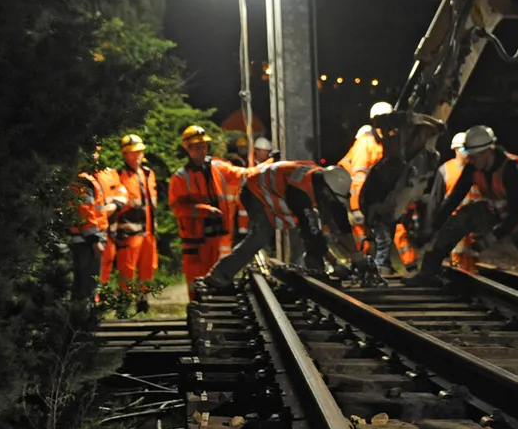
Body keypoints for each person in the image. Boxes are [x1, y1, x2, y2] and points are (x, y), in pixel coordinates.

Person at [409, 125, 518, 284]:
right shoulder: (473, 167)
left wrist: (491, 237)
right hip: (493, 210)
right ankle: (428, 271)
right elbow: (454, 198)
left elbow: (517, 212)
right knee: (462, 217)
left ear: (487, 152)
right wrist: (433, 228)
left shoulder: (510, 168)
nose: (470, 160)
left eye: (474, 156)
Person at [197, 162, 363, 287]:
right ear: (326, 191)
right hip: (254, 190)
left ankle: (313, 273)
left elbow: (340, 220)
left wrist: (356, 255)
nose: (332, 202)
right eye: (332, 198)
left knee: (310, 226)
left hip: (274, 191)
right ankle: (220, 274)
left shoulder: (326, 182)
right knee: (262, 235)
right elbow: (310, 232)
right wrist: (335, 263)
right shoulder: (301, 192)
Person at [339, 102, 417, 275]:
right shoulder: (366, 144)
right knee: (365, 236)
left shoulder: (387, 142)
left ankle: (403, 267)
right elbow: (358, 178)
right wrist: (358, 208)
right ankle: (365, 267)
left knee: (391, 230)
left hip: (377, 197)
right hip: (359, 198)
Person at [168, 125, 246, 299]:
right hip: (195, 242)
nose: (202, 150)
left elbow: (243, 174)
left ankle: (218, 311)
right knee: (197, 282)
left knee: (218, 279)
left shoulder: (218, 168)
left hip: (218, 237)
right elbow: (177, 207)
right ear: (187, 149)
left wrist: (269, 164)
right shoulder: (180, 177)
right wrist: (203, 210)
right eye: (197, 147)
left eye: (203, 146)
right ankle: (198, 313)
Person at [424, 131, 484, 272]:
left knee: (473, 255)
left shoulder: (476, 169)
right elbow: (436, 200)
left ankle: (471, 279)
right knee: (457, 255)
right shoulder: (445, 170)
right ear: (456, 149)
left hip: (475, 222)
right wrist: (431, 224)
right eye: (464, 149)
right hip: (453, 221)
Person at [114, 134, 158, 312]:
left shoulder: (148, 174)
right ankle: (123, 304)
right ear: (125, 154)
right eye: (132, 152)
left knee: (148, 269)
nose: (137, 155)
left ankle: (142, 302)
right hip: (129, 232)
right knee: (127, 270)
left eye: (139, 151)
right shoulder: (118, 176)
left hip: (148, 232)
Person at [69, 146, 110, 303]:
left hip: (83, 239)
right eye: (93, 152)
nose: (96, 156)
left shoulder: (82, 178)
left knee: (82, 284)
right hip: (87, 241)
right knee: (88, 285)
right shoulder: (83, 181)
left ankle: (80, 320)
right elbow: (85, 212)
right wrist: (95, 239)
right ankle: (85, 322)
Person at [95, 161, 128, 287]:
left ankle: (101, 298)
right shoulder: (82, 174)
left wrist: (115, 204)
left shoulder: (109, 172)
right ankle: (94, 300)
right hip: (93, 229)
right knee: (95, 266)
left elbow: (122, 190)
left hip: (109, 228)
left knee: (107, 261)